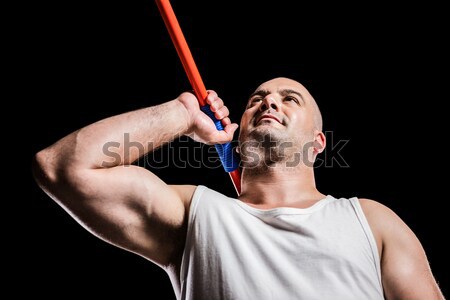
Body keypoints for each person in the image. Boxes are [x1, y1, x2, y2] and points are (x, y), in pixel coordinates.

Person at [32, 77, 445, 300]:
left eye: (290, 99)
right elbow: (62, 167)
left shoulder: (371, 221)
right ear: (237, 133)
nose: (269, 103)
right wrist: (181, 116)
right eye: (256, 99)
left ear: (318, 143)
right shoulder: (194, 214)